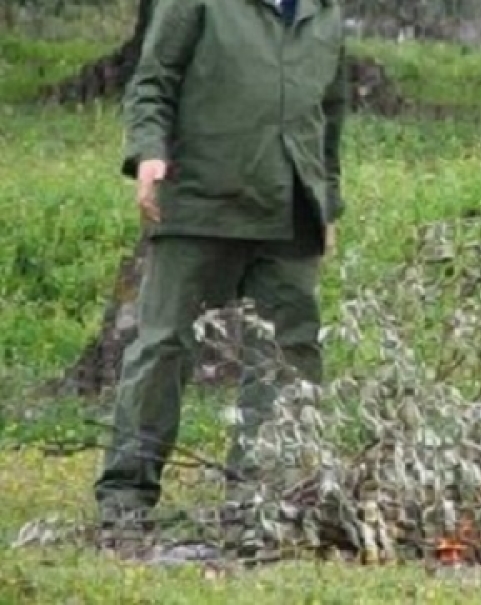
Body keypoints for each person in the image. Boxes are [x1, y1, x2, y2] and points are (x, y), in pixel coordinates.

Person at [93, 0, 348, 535]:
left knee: (289, 354)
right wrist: (148, 153)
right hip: (199, 200)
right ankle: (126, 494)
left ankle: (264, 494)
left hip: (291, 208)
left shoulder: (325, 13)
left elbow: (329, 116)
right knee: (163, 344)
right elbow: (153, 81)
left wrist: (327, 202)